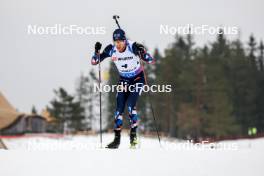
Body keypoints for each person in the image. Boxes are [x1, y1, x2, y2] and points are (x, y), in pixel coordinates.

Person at [91, 28, 155, 148]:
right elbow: (95, 62)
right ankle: (116, 140)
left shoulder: (132, 47)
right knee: (118, 109)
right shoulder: (111, 49)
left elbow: (151, 60)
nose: (118, 44)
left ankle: (133, 137)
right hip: (124, 80)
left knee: (130, 106)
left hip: (137, 79)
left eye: (120, 41)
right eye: (116, 41)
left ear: (125, 40)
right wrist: (96, 52)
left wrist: (143, 52)